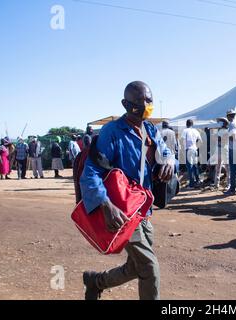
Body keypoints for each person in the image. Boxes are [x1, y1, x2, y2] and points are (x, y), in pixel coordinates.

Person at [80, 81, 174, 300]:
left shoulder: (150, 129)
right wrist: (105, 204)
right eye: (138, 102)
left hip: (144, 210)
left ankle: (95, 281)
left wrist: (170, 161)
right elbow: (91, 172)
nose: (145, 106)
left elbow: (168, 152)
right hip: (123, 211)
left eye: (148, 100)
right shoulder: (111, 132)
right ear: (125, 104)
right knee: (149, 267)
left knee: (137, 267)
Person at [225, 109, 236, 194]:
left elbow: (233, 137)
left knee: (233, 170)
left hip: (233, 149)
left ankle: (232, 189)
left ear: (229, 116)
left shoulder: (232, 124)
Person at [181, 119, 202, 188]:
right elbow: (200, 141)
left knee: (189, 167)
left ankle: (192, 184)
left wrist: (184, 150)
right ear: (192, 124)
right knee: (195, 166)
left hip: (188, 149)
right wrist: (196, 147)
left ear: (186, 124)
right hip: (194, 149)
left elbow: (183, 140)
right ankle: (198, 180)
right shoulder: (196, 131)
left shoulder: (185, 130)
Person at [213, 118, 230, 190]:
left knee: (227, 167)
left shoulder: (227, 131)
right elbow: (216, 139)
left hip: (224, 149)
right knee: (218, 167)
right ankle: (216, 184)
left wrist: (218, 138)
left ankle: (229, 184)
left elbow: (223, 139)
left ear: (224, 123)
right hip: (219, 149)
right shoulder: (220, 130)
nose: (220, 124)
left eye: (221, 122)